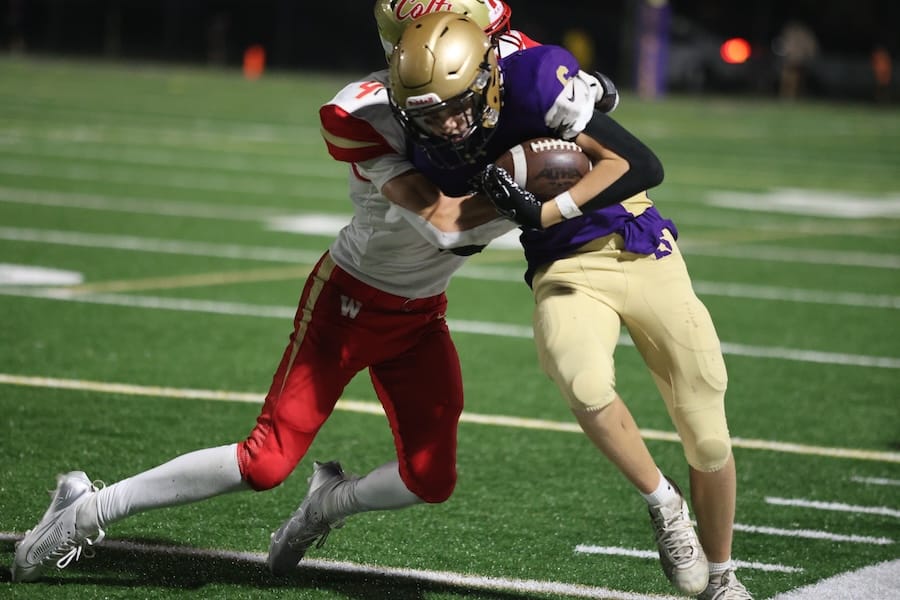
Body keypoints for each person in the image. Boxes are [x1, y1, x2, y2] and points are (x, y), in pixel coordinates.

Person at [9, 1, 522, 584]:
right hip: (350, 304)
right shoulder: (368, 113)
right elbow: (448, 225)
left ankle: (327, 503)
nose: (452, 118)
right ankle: (86, 510)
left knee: (432, 478)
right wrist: (548, 198)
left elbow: (558, 87)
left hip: (422, 313)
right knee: (266, 461)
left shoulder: (504, 71)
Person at [387, 12, 752, 599]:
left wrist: (545, 207)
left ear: (487, 77)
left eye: (457, 106)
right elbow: (454, 230)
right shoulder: (431, 152)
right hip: (563, 266)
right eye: (429, 115)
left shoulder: (533, 83)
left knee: (707, 429)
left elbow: (641, 164)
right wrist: (503, 197)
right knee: (580, 377)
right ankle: (664, 503)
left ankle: (723, 577)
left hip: (639, 243)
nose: (448, 126)